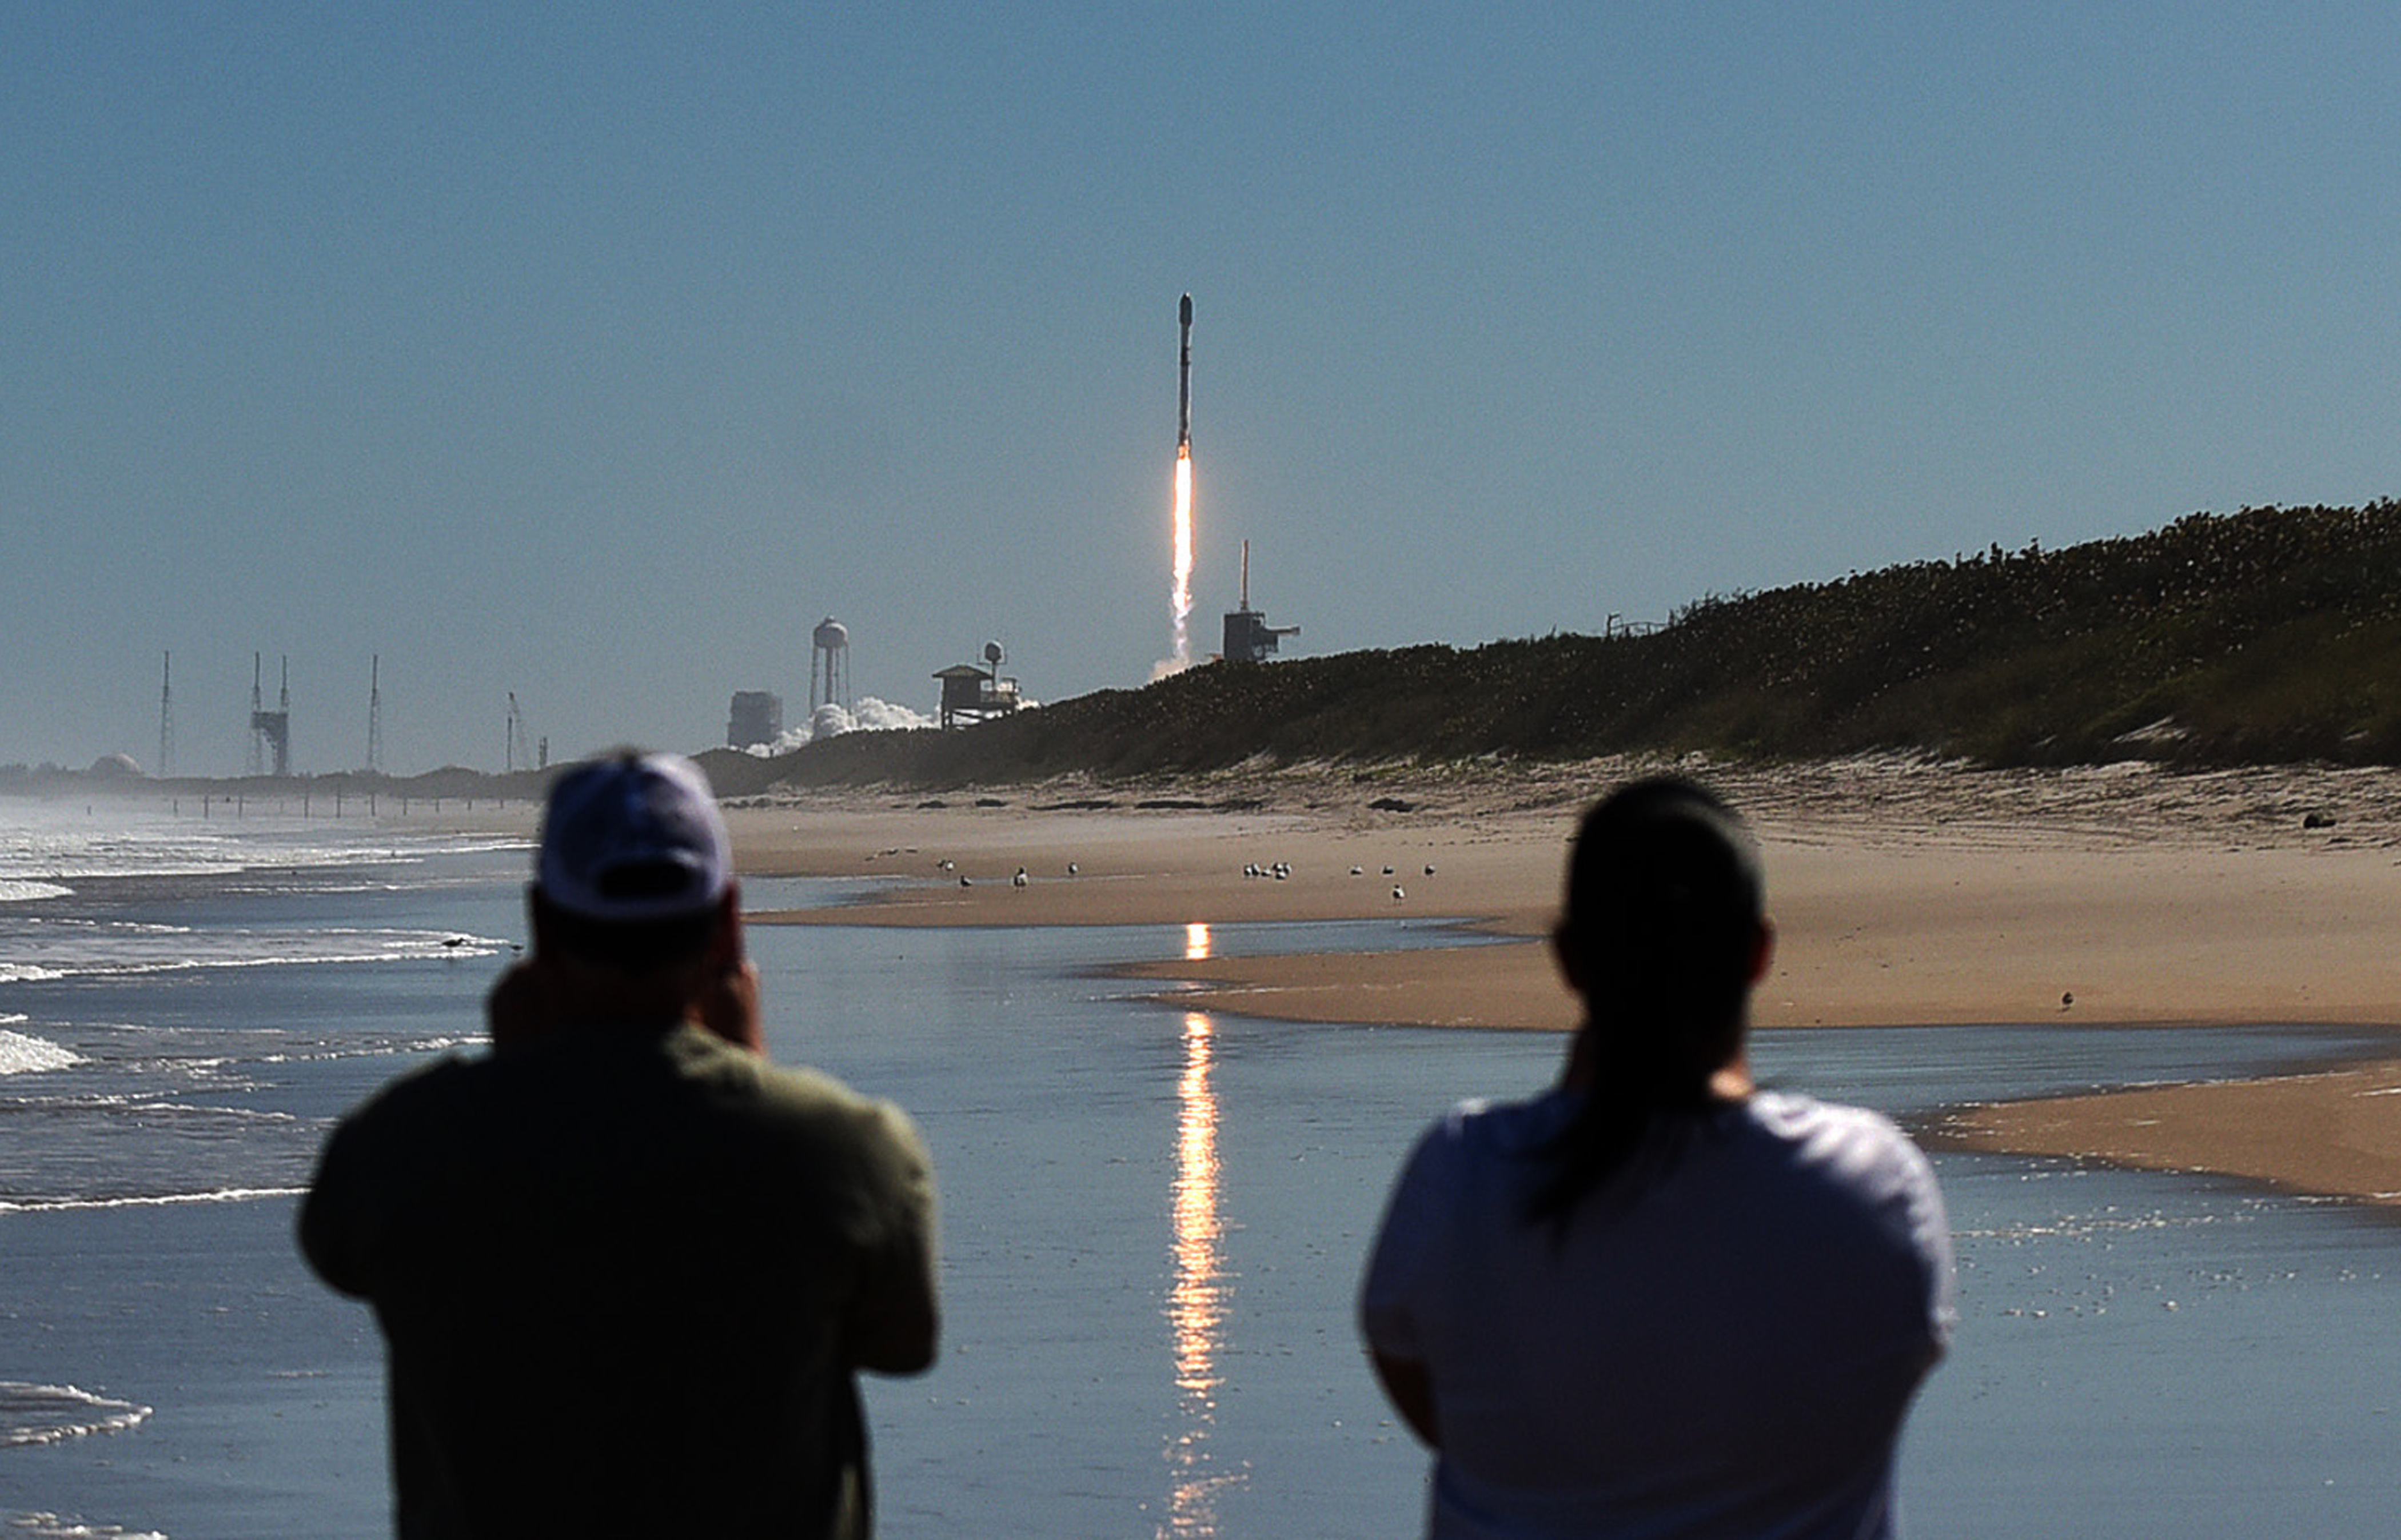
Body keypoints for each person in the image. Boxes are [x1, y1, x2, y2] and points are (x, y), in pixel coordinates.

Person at [301, 752, 938, 1539]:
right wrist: (752, 1074)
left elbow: (335, 1244)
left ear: (539, 923)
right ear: (729, 922)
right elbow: (903, 1342)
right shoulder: (849, 1150)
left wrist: (515, 1080)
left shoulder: (403, 1148)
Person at [1359, 777, 1953, 1539]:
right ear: (1758, 952)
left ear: (1570, 959)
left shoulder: (1465, 1173)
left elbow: (1450, 1408)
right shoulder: (1872, 1183)